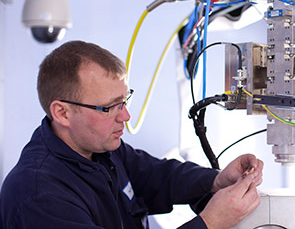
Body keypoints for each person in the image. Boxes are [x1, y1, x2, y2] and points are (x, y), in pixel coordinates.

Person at [0, 40, 263, 229]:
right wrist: (210, 223)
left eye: (124, 101)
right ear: (62, 113)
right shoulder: (39, 196)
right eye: (109, 107)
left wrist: (215, 180)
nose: (125, 116)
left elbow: (158, 176)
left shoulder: (101, 148)